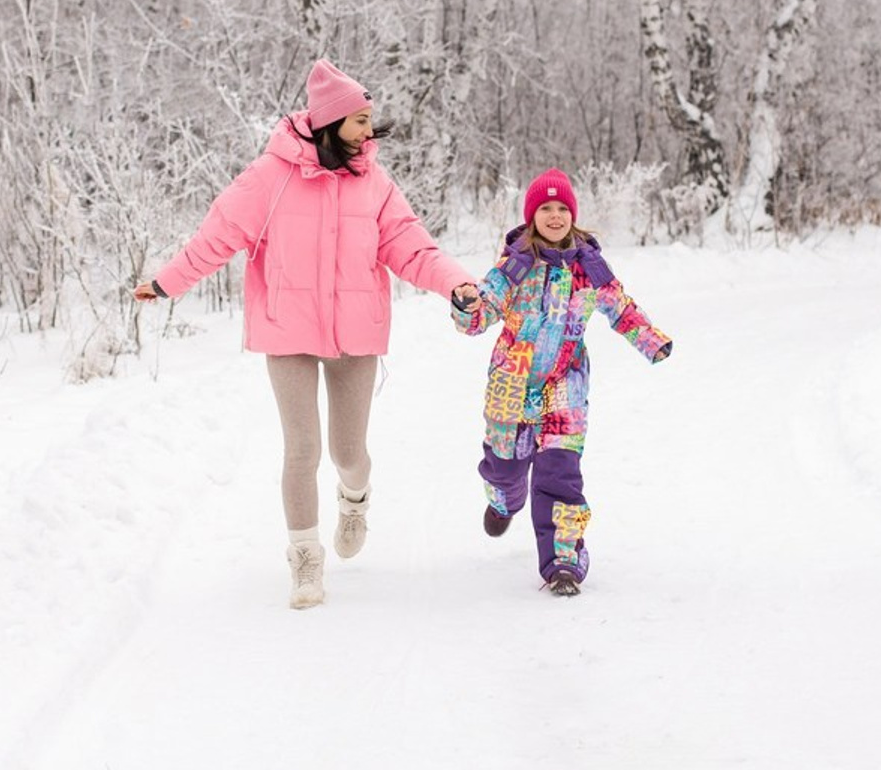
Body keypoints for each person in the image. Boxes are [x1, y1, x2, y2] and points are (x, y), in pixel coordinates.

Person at [135, 59, 478, 609]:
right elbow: (218, 234)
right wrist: (166, 281)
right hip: (287, 331)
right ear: (331, 122)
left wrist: (456, 283)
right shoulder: (271, 177)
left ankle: (355, 498)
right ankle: (304, 561)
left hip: (354, 336)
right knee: (302, 449)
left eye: (370, 119)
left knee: (347, 452)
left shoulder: (375, 185)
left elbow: (412, 247)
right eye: (360, 119)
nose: (370, 130)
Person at [452, 168, 673, 596]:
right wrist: (466, 306)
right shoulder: (514, 266)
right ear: (532, 216)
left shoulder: (589, 267)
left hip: (564, 389)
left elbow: (622, 310)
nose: (554, 216)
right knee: (506, 467)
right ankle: (503, 499)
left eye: (562, 208)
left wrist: (651, 341)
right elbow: (481, 314)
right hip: (511, 388)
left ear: (572, 214)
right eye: (545, 208)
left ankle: (563, 562)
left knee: (561, 475)